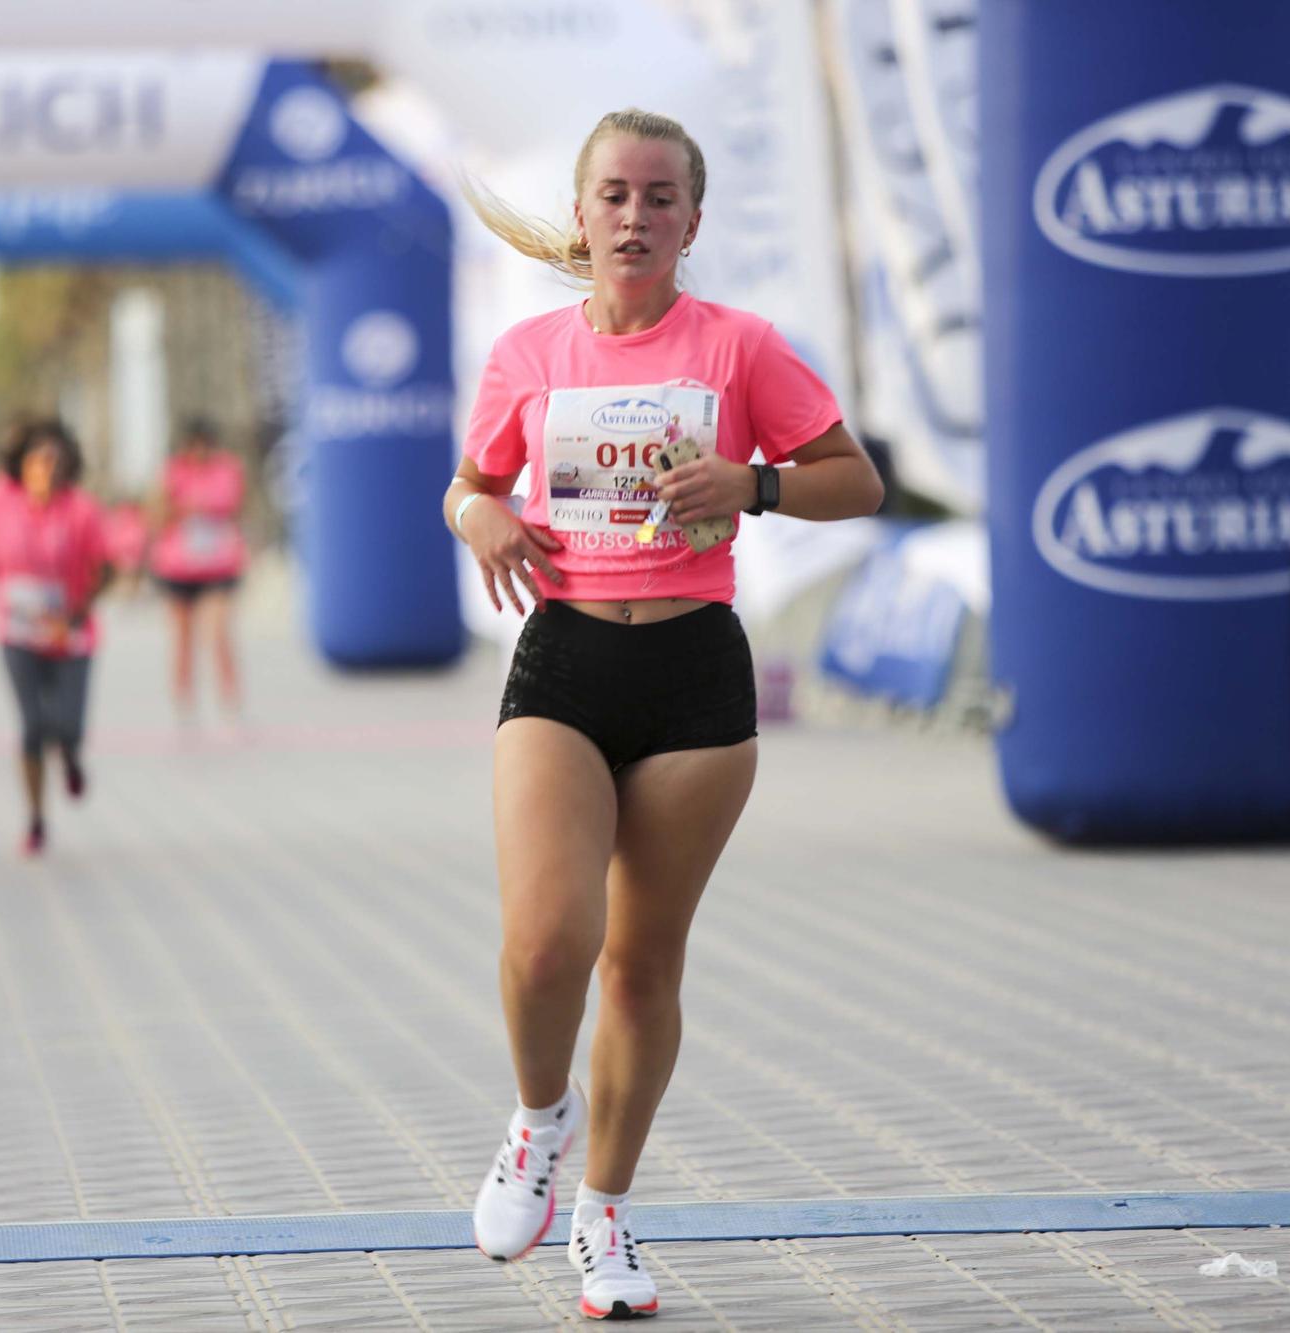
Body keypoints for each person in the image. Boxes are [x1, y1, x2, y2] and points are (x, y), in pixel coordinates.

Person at [449, 109, 883, 1321]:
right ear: (580, 216)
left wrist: (753, 484)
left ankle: (604, 1214)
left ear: (691, 221)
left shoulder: (740, 347)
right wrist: (475, 515)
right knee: (546, 941)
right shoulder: (528, 353)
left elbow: (856, 478)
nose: (633, 217)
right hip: (567, 656)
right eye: (612, 196)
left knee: (640, 964)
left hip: (694, 671)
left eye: (657, 198)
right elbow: (470, 486)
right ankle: (538, 1122)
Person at [0, 419, 110, 855]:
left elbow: (106, 569)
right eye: (39, 458)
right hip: (16, 632)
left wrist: (77, 613)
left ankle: (72, 754)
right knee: (31, 727)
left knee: (67, 724)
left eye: (57, 459)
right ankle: (36, 819)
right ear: (21, 464)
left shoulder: (82, 509)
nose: (48, 467)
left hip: (71, 634)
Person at [146, 418, 247, 719]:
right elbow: (157, 513)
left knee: (218, 633)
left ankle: (230, 696)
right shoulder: (172, 471)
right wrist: (175, 506)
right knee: (182, 637)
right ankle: (183, 697)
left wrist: (197, 506)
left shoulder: (227, 469)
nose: (200, 451)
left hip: (217, 564)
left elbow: (234, 504)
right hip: (179, 565)